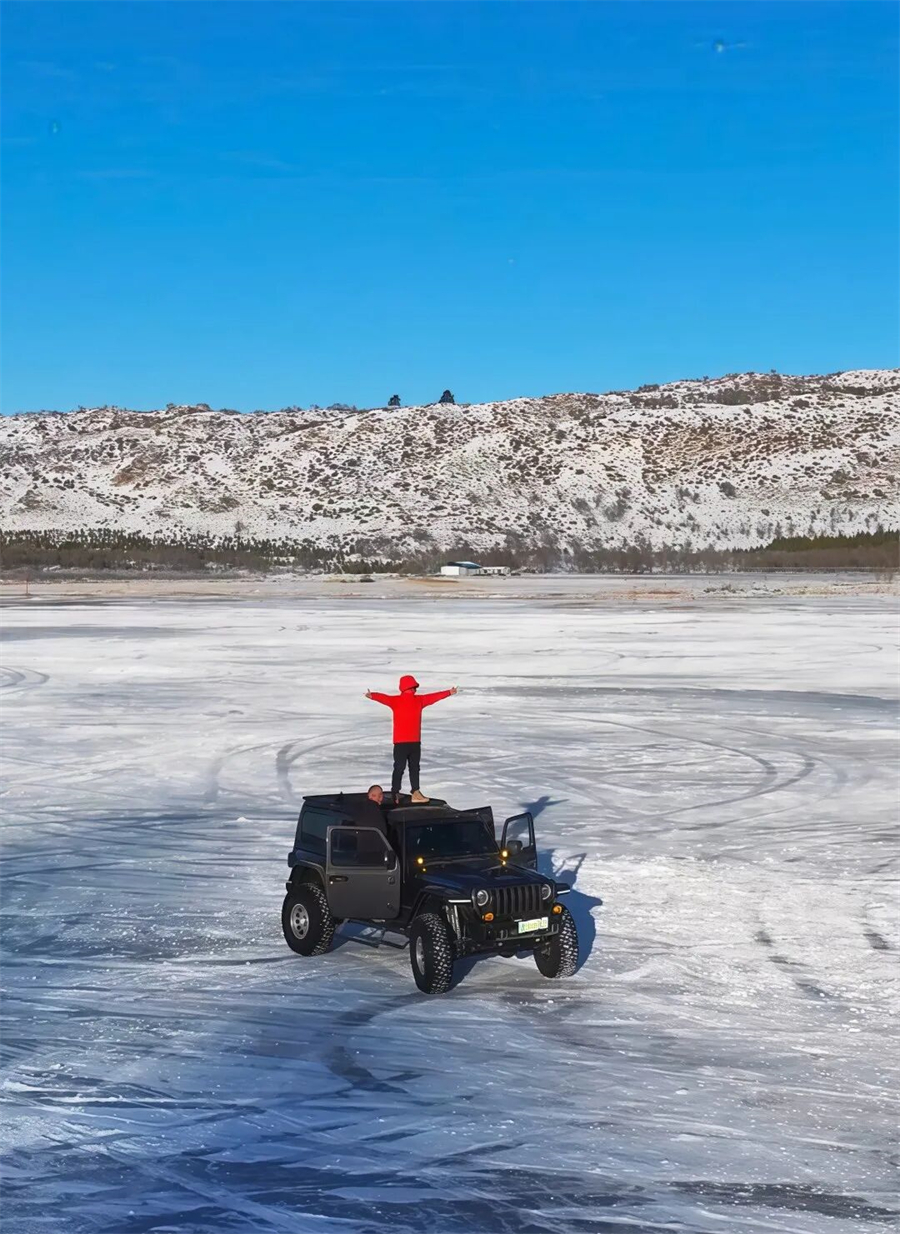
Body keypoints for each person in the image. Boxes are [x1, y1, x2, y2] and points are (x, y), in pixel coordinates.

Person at [365, 675, 458, 803]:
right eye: (414, 687)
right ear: (411, 687)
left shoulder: (398, 700)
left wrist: (372, 695)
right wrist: (449, 692)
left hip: (403, 743)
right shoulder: (418, 700)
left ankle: (398, 793)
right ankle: (412, 792)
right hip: (413, 742)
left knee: (400, 768)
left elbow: (384, 698)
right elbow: (433, 697)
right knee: (412, 768)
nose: (415, 689)